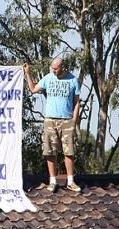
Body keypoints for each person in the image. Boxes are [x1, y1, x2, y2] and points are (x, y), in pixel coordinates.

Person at [23, 58, 81, 193]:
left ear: (63, 67)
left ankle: (70, 181)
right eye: (52, 68)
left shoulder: (72, 80)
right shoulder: (48, 78)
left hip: (67, 120)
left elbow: (77, 102)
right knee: (50, 151)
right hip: (50, 120)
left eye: (56, 68)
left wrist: (74, 119)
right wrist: (28, 73)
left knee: (69, 151)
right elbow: (32, 89)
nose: (54, 70)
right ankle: (53, 181)